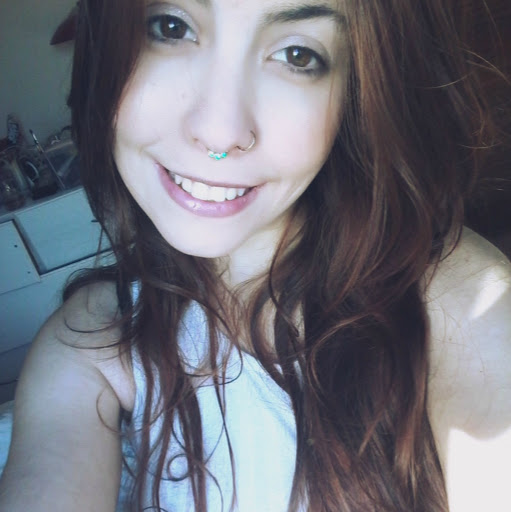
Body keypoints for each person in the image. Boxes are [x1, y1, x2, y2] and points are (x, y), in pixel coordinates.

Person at [0, 0, 510, 510]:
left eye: (297, 55)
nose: (219, 134)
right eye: (170, 27)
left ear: (354, 92)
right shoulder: (91, 340)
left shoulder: (453, 298)